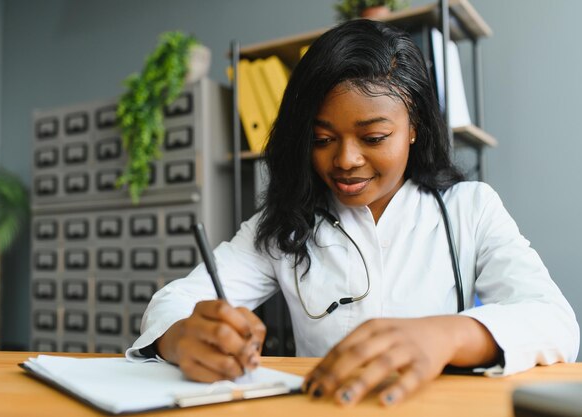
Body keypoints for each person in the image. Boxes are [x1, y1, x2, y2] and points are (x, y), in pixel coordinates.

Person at [127, 19, 579, 406]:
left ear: (414, 128)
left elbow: (555, 321)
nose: (345, 160)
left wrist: (448, 336)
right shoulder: (287, 225)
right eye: (322, 139)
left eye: (374, 137)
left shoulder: (471, 208)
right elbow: (173, 302)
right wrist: (184, 336)